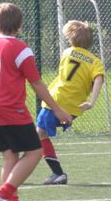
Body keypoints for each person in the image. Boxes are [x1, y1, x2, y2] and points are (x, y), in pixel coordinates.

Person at [0, 3, 71, 201]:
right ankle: (4, 194)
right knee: (35, 152)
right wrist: (57, 109)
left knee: (10, 156)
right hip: (11, 109)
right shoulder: (21, 49)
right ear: (20, 25)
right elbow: (36, 83)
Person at [36, 20, 104, 185]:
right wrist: (91, 102)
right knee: (40, 134)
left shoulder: (67, 52)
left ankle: (57, 173)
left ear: (72, 38)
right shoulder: (95, 61)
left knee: (40, 133)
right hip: (74, 108)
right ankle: (48, 170)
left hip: (57, 100)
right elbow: (99, 79)